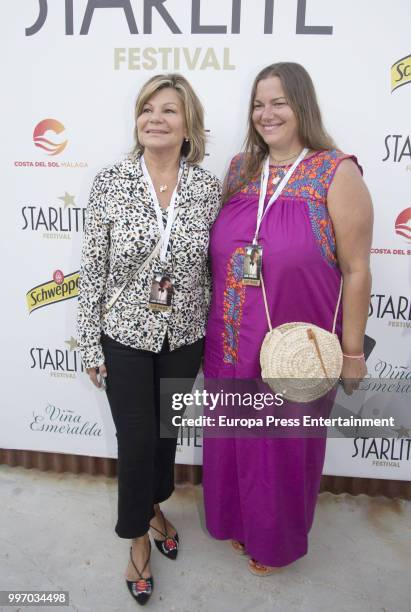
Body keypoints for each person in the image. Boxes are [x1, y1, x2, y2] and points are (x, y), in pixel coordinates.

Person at [203, 62, 373, 575]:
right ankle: (237, 523)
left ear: (302, 105)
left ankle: (275, 543)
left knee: (281, 452)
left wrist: (351, 354)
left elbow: (357, 270)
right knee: (232, 441)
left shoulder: (336, 171)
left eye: (278, 102)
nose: (266, 113)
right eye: (258, 103)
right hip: (230, 340)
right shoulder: (239, 169)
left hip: (295, 349)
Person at [77, 73, 221, 604]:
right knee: (137, 441)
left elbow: (213, 267)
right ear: (137, 121)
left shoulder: (207, 188)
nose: (155, 119)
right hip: (126, 337)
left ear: (189, 126)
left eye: (169, 111)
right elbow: (93, 269)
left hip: (184, 335)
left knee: (165, 435)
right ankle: (136, 537)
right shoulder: (110, 182)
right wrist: (90, 343)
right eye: (147, 110)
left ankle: (157, 505)